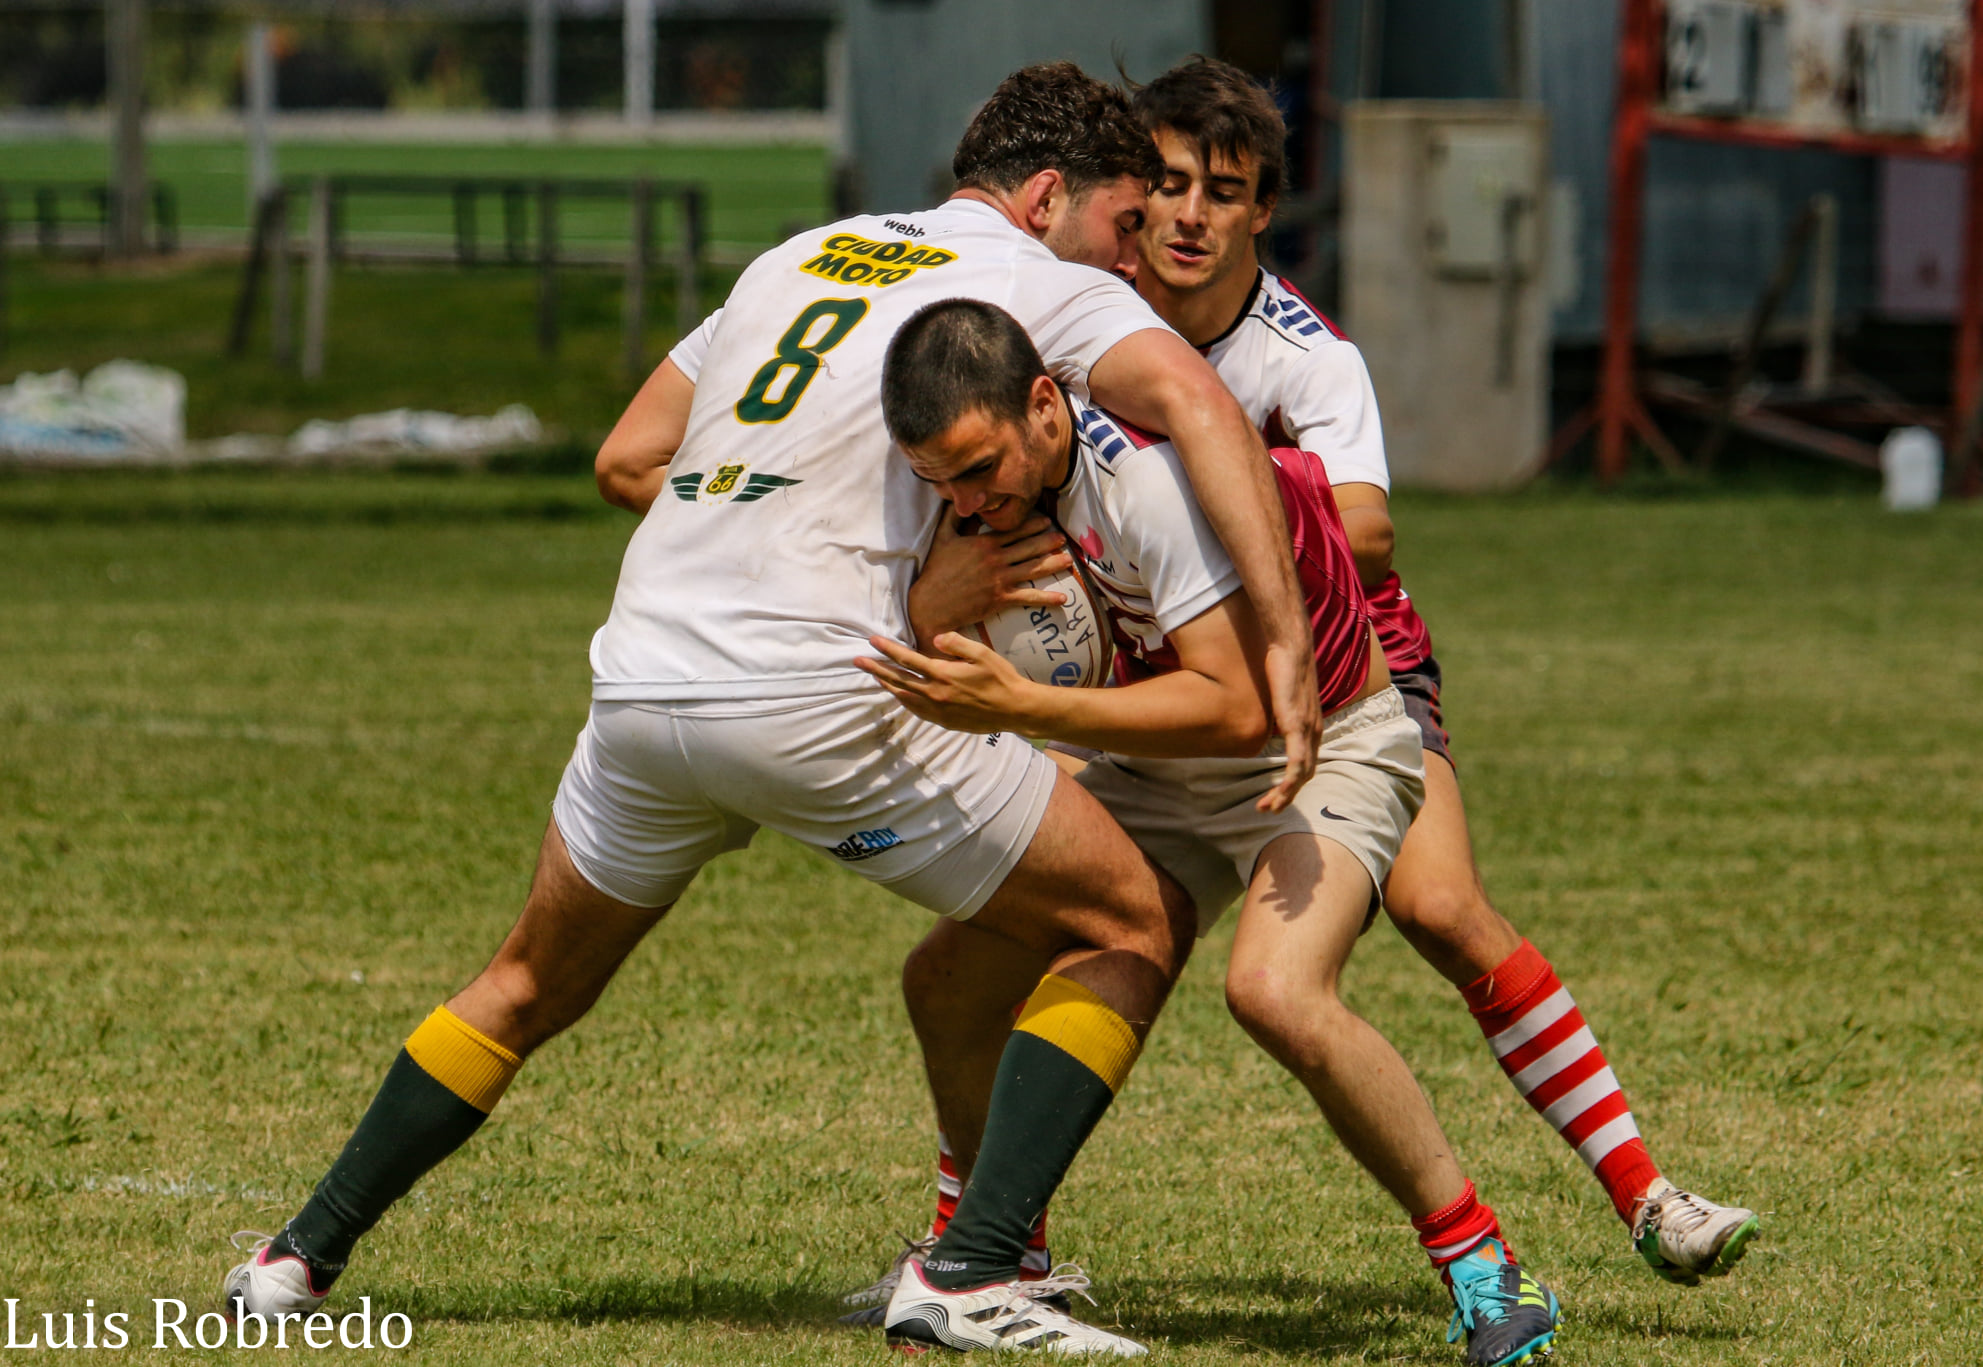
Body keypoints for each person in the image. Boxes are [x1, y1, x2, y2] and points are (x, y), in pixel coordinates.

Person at [220, 61, 1316, 1358]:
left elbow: (627, 458)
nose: (1132, 255)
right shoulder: (1033, 279)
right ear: (1043, 197)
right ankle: (969, 1270)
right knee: (1130, 915)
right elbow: (1191, 400)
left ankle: (295, 1254)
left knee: (525, 978)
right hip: (815, 694)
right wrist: (1286, 636)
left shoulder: (798, 253)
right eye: (1125, 222)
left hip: (643, 671)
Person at [852, 58, 1757, 1339]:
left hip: (1324, 714)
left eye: (1221, 191)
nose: (1183, 215)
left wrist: (1242, 519)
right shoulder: (1068, 334)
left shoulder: (1224, 409)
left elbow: (1333, 570)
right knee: (952, 974)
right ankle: (986, 1253)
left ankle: (1508, 1261)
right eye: (1160, 186)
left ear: (1263, 208)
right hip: (1168, 738)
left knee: (1334, 958)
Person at [857, 297, 1561, 1367]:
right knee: (949, 977)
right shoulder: (1004, 491)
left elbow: (1237, 705)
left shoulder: (1146, 477)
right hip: (1163, 761)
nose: (964, 501)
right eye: (938, 481)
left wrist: (1021, 706)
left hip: (1320, 744)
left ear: (1044, 403)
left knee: (1275, 990)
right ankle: (987, 1258)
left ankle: (1486, 1268)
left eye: (977, 468)